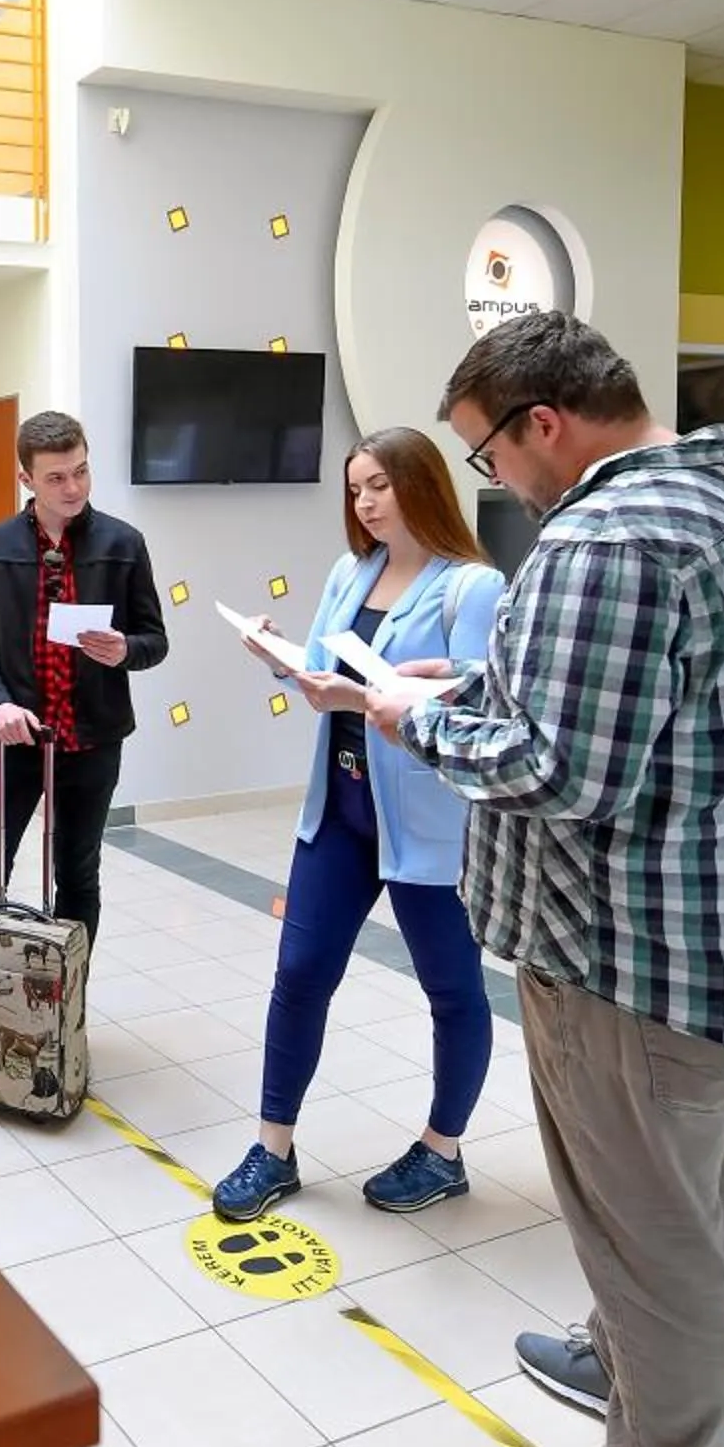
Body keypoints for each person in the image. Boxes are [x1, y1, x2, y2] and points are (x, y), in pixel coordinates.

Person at [367, 313, 724, 1447]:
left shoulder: (604, 535)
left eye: (487, 456)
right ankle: (623, 1353)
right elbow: (650, 711)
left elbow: (556, 768)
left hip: (643, 974)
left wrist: (407, 713)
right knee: (682, 1208)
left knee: (658, 1244)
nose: (496, 486)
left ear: (543, 424)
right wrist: (471, 689)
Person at [211, 429, 504, 1223]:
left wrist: (367, 701)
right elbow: (322, 670)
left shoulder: (470, 588)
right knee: (300, 975)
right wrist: (275, 654)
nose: (364, 504)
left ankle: (443, 1151)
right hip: (340, 812)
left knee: (451, 989)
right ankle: (273, 1149)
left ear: (419, 485)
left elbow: (485, 698)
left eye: (377, 485)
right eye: (355, 489)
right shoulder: (352, 571)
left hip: (426, 821)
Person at [0, 410, 167, 940]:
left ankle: (65, 1008)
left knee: (77, 875)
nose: (73, 487)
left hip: (93, 742)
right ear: (26, 479)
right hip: (17, 740)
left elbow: (154, 641)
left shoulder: (124, 544)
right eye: (56, 477)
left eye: (81, 471)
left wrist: (125, 650)